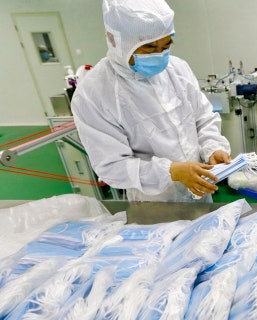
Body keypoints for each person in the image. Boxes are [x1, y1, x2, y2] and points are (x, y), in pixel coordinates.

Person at [71, 0, 231, 202]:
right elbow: (111, 166)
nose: (160, 55)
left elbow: (203, 118)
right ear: (116, 41)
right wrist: (171, 172)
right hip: (153, 203)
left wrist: (212, 148)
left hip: (199, 193)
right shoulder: (94, 94)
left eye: (166, 45)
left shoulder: (177, 69)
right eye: (149, 47)